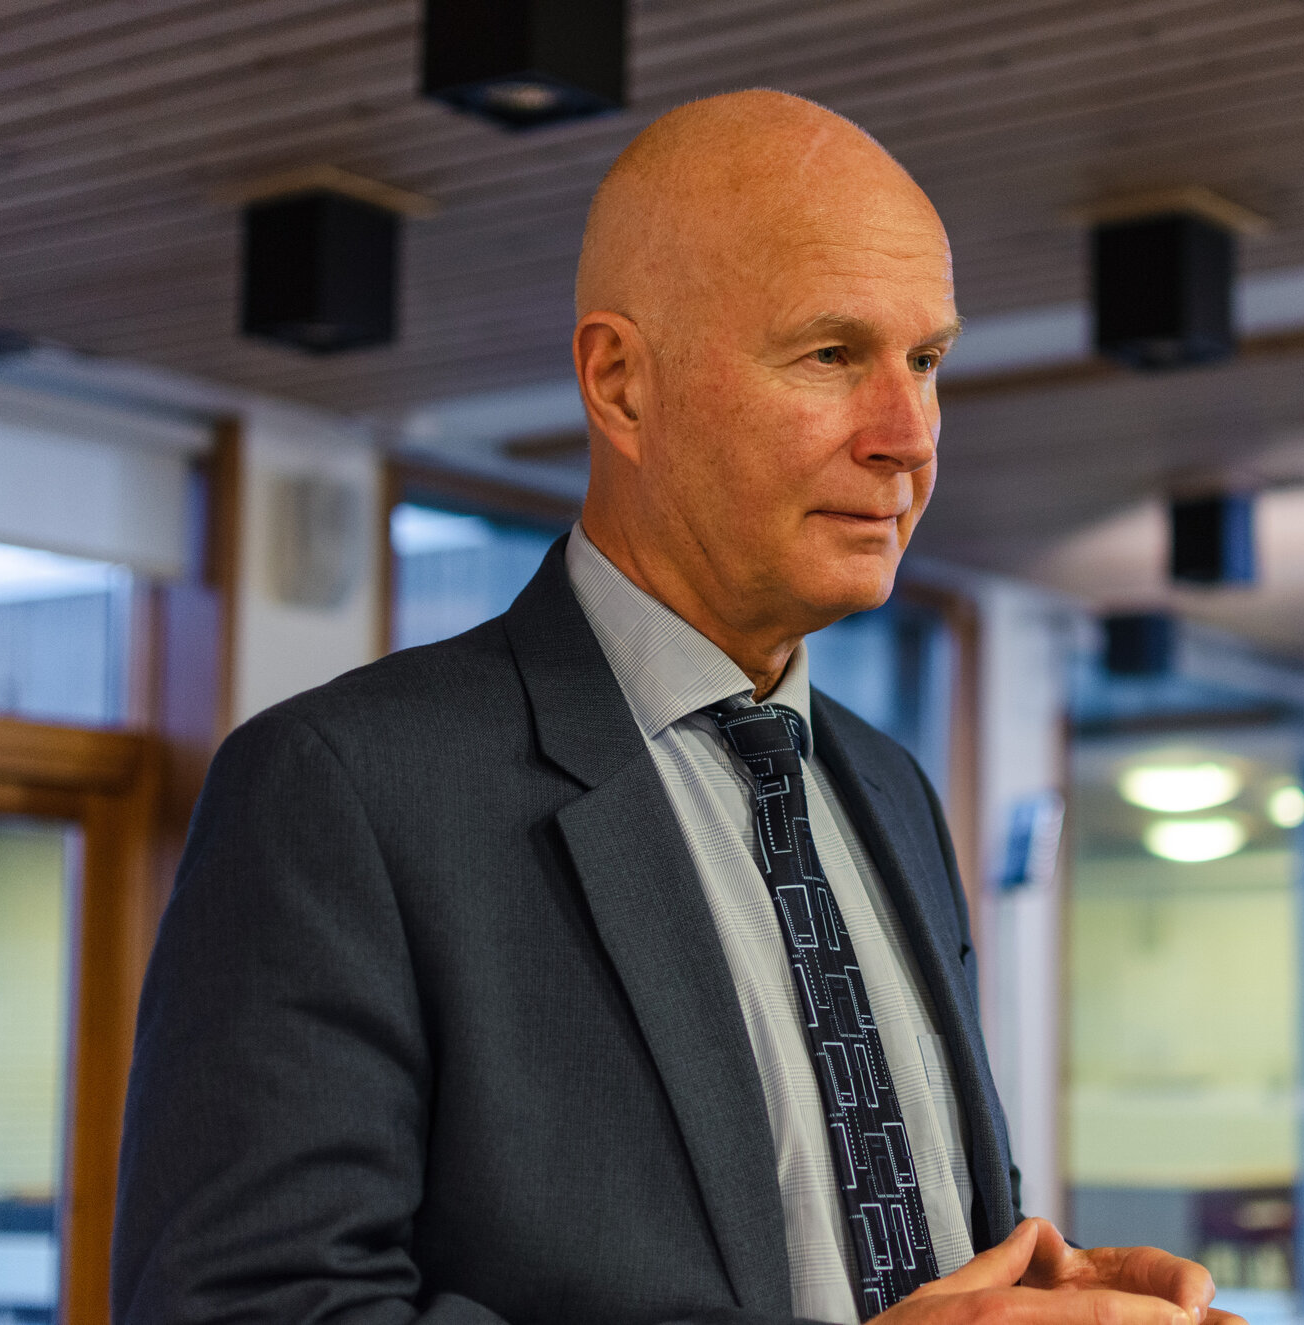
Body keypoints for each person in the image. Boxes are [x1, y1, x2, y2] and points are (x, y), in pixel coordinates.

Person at [111, 91, 1240, 1325]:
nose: (907, 436)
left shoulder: (890, 787)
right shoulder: (345, 789)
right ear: (620, 383)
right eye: (830, 355)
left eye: (925, 361)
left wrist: (1047, 1295)